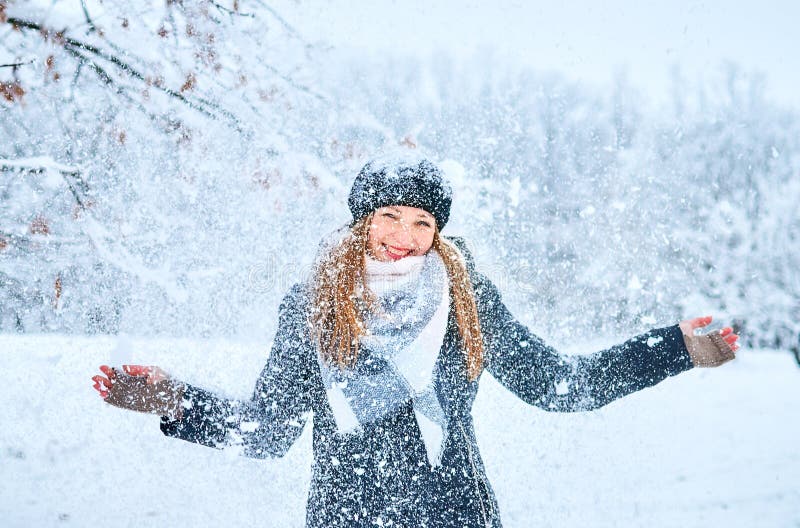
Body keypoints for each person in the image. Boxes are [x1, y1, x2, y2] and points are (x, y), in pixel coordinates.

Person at [92, 155, 739, 527]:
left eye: (421, 221)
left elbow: (559, 385)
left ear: (438, 232)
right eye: (389, 217)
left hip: (457, 517)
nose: (403, 235)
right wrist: (171, 400)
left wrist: (678, 347)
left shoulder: (465, 302)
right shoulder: (314, 304)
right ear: (362, 221)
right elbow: (267, 430)